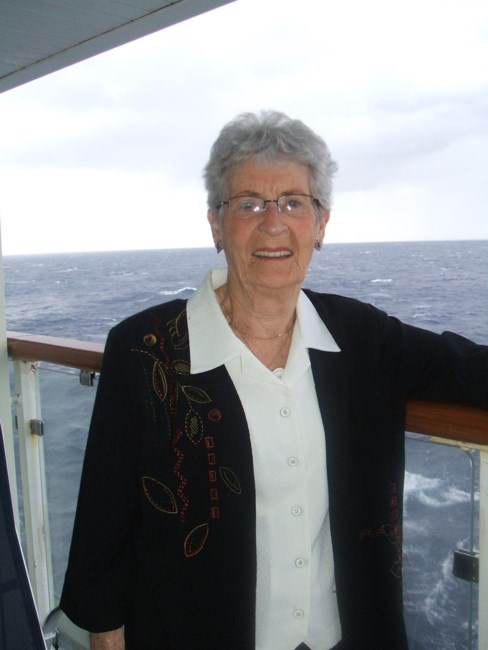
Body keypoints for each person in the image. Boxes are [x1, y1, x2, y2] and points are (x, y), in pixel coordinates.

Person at [60, 111, 488, 650]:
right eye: (249, 203)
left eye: (293, 202)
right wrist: (105, 635)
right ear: (216, 224)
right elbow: (104, 524)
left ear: (321, 224)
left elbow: (467, 369)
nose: (273, 223)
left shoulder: (361, 337)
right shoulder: (145, 350)